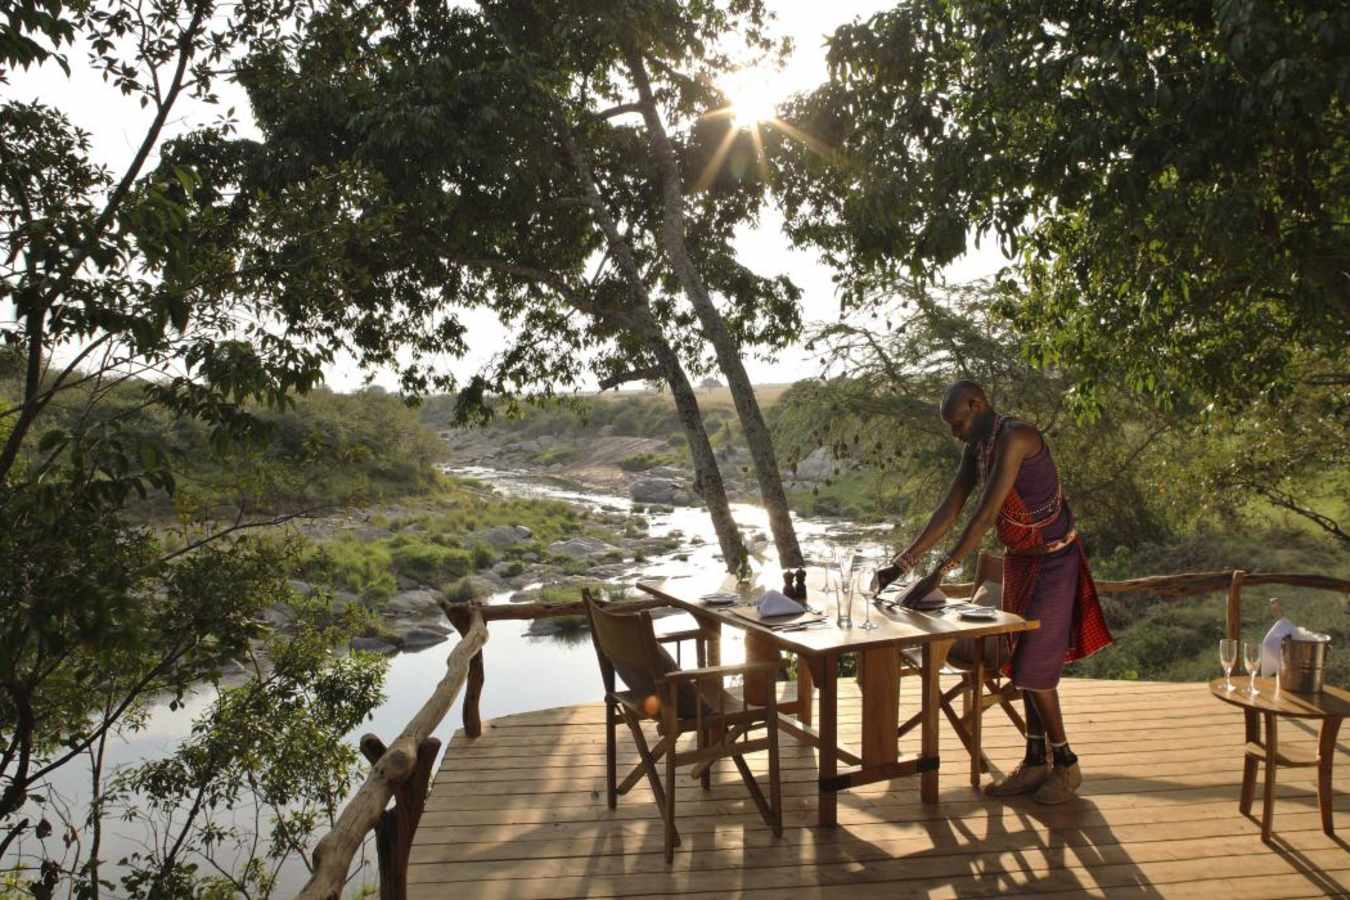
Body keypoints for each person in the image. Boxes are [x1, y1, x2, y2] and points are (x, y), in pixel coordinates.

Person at [873, 381, 1113, 804]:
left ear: (977, 404)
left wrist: (940, 574)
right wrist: (903, 563)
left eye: (959, 423)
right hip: (1022, 560)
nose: (955, 434)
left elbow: (984, 515)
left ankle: (1067, 765)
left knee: (1035, 667)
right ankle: (1035, 762)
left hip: (1055, 560)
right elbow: (951, 507)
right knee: (1021, 662)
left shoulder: (1017, 436)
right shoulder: (977, 447)